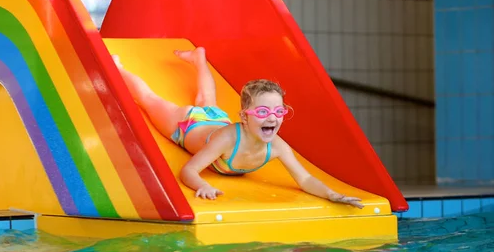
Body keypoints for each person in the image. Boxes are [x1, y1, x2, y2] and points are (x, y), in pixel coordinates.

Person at [112, 47, 364, 209]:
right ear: (245, 117)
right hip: (188, 124)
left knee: (207, 100)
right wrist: (202, 185)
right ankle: (118, 68)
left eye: (279, 112)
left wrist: (333, 195)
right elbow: (189, 170)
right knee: (149, 99)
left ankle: (199, 59)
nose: (272, 118)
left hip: (216, 119)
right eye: (263, 112)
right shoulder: (226, 140)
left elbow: (305, 178)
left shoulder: (277, 146)